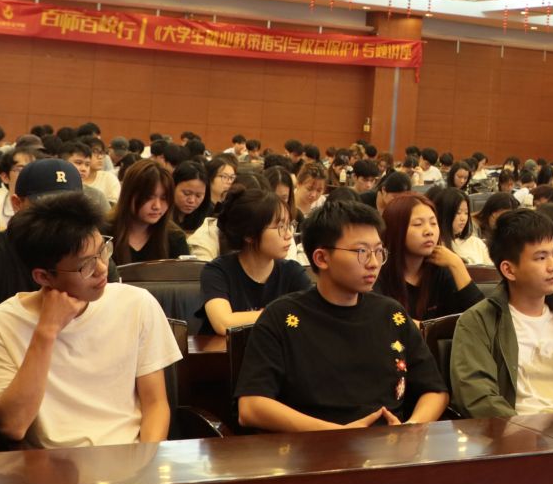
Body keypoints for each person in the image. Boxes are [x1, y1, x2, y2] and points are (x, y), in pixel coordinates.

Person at [0, 192, 178, 448]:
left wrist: (146, 460)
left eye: (102, 252)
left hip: (131, 456)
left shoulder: (136, 303)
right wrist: (47, 331)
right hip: (50, 465)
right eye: (86, 266)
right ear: (43, 277)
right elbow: (12, 426)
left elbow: (156, 404)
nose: (102, 269)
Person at [234, 198, 448, 431]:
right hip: (311, 446)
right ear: (321, 258)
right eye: (361, 251)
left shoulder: (391, 314)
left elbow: (435, 390)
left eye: (378, 251)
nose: (374, 263)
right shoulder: (282, 317)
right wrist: (338, 434)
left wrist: (410, 428)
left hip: (389, 444)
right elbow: (251, 407)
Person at [450, 208, 553, 418]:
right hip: (513, 431)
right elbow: (478, 397)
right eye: (541, 257)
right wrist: (524, 431)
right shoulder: (478, 322)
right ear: (509, 270)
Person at [0, 159, 107, 319]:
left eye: (71, 208)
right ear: (17, 203)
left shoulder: (91, 249)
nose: (62, 218)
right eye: (49, 208)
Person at [200, 184, 311, 337]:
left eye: (289, 225)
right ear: (250, 235)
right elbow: (223, 323)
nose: (289, 235)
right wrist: (280, 314)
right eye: (280, 227)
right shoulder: (217, 271)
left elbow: (310, 317)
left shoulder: (293, 272)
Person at [375, 191, 484, 321]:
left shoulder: (440, 270)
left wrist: (457, 264)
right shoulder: (377, 272)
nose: (429, 231)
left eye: (433, 223)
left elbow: (482, 319)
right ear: (396, 229)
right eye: (418, 224)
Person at [110, 159, 189, 265]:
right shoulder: (104, 234)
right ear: (129, 195)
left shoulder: (175, 238)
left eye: (164, 198)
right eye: (148, 197)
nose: (157, 206)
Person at [170, 161, 211, 234]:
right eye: (187, 193)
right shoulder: (161, 217)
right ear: (173, 187)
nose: (192, 200)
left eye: (198, 196)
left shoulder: (207, 220)